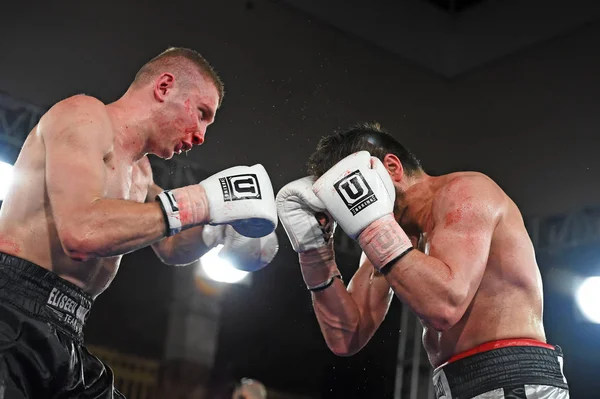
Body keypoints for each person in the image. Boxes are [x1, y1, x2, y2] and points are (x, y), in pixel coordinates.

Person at [0, 47, 278, 398]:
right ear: (164, 87)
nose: (201, 136)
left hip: (69, 330)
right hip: (9, 311)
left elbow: (171, 244)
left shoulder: (142, 174)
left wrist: (217, 228)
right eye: (202, 113)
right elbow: (81, 230)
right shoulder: (84, 117)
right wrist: (203, 200)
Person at [276, 123, 569, 399]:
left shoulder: (465, 194)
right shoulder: (386, 237)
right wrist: (315, 253)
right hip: (455, 383)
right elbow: (346, 336)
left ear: (392, 167)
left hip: (513, 378)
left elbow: (444, 306)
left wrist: (373, 227)